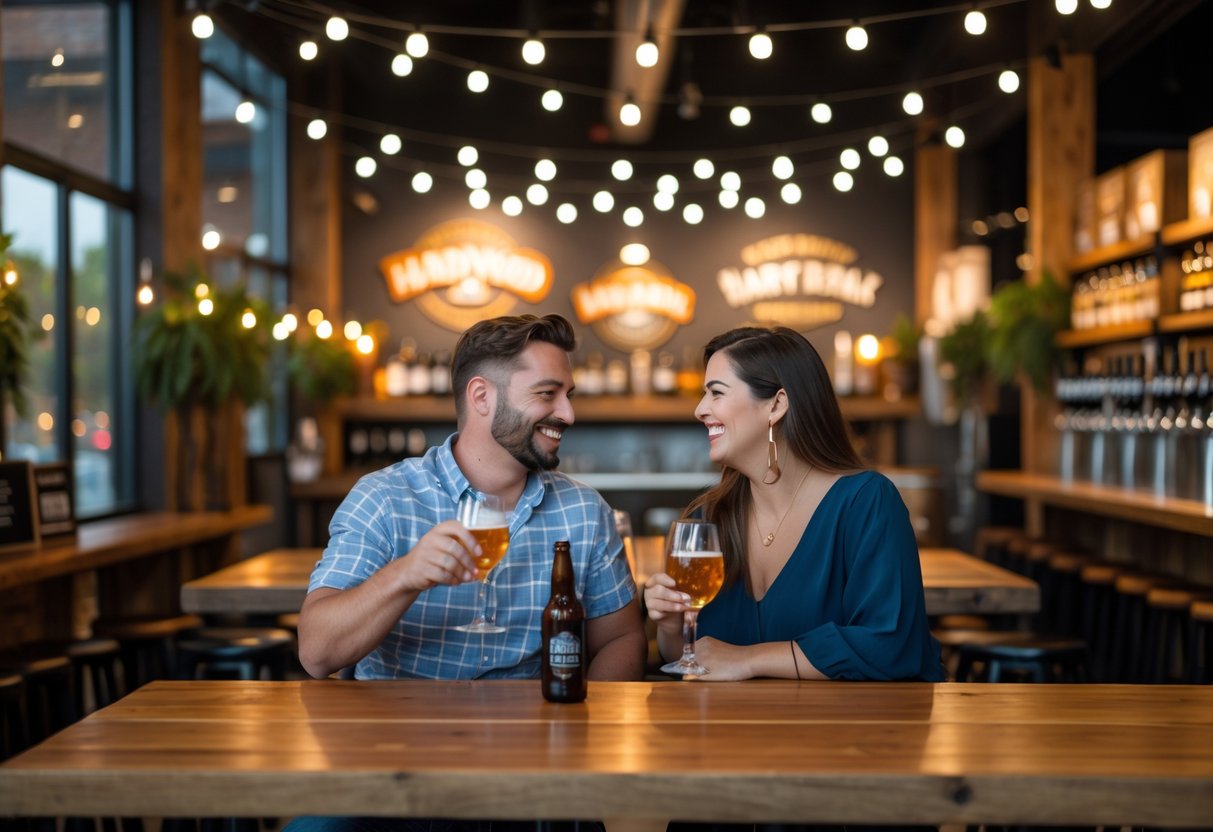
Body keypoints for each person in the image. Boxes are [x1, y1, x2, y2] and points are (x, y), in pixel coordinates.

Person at [297, 312, 646, 683]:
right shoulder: (385, 498)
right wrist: (404, 575)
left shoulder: (584, 511)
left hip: (533, 734)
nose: (568, 413)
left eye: (568, 395)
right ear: (481, 396)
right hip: (398, 734)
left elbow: (621, 639)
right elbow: (317, 655)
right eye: (547, 393)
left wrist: (579, 723)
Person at [644, 326, 944, 682]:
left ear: (776, 405)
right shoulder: (707, 519)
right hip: (729, 734)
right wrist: (671, 626)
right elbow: (693, 660)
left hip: (852, 734)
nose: (699, 410)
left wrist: (751, 659)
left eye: (716, 393)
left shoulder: (865, 503)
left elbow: (891, 644)